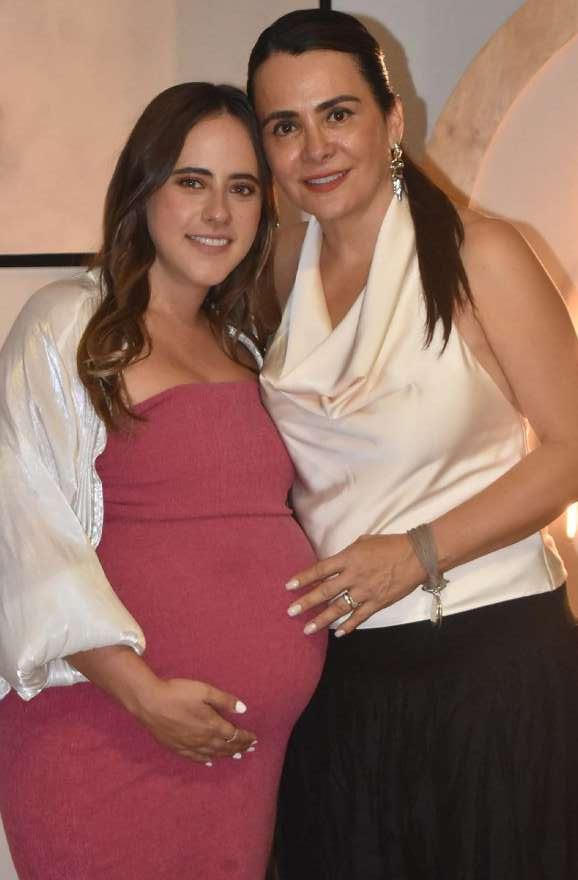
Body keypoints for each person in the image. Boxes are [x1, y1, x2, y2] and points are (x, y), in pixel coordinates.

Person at [247, 10, 578, 880]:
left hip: (490, 665)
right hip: (341, 677)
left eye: (338, 113)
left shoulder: (482, 254)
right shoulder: (278, 267)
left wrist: (416, 553)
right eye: (285, 126)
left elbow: (572, 449)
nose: (315, 147)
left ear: (392, 119)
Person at [0, 82, 325, 880]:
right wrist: (144, 695)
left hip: (240, 757)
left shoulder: (245, 344)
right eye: (191, 181)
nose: (217, 212)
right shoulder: (69, 323)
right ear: (143, 189)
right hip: (102, 732)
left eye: (241, 188)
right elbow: (22, 530)